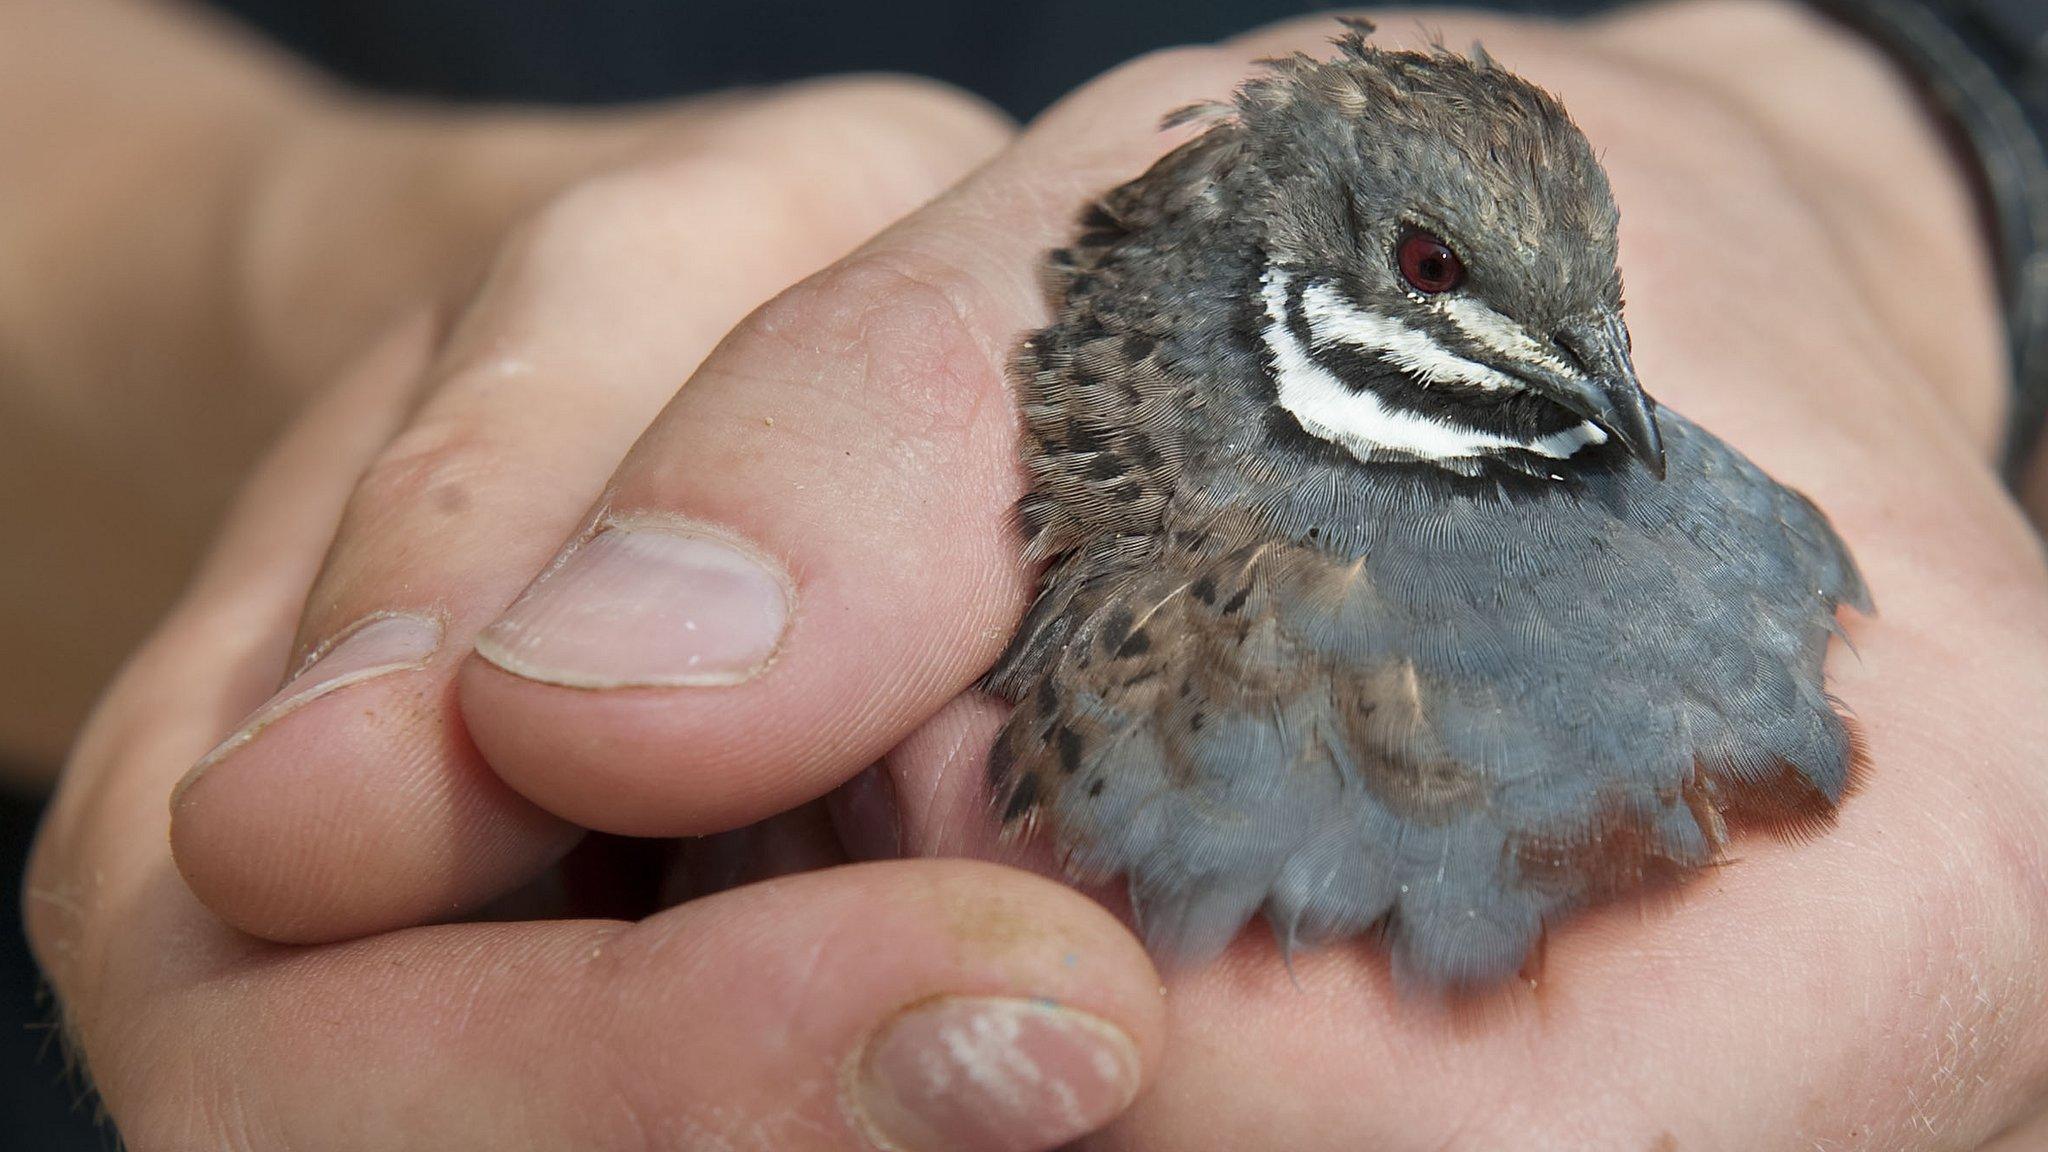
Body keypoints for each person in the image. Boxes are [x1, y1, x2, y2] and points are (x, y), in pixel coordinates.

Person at [8, 0, 2048, 1148]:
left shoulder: (1630, 456)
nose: (1588, 375)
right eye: (1434, 280)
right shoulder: (1087, 526)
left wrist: (1935, 143)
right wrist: (358, 303)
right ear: (1315, 263)